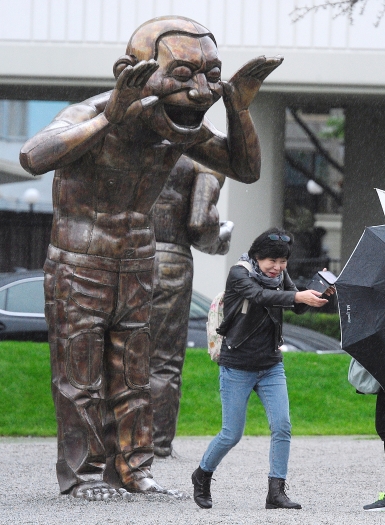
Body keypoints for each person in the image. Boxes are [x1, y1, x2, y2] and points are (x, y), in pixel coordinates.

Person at [19, 15, 281, 500]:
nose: (201, 91)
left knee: (134, 372)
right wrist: (109, 118)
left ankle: (135, 469)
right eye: (182, 75)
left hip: (139, 260)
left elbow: (245, 169)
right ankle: (84, 475)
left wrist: (238, 108)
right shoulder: (92, 112)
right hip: (80, 259)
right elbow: (34, 155)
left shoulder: (179, 127)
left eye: (211, 75)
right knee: (81, 375)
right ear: (131, 71)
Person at [191, 227, 333, 510]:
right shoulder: (239, 274)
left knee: (282, 426)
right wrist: (297, 297)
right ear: (258, 256)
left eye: (283, 262)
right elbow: (260, 297)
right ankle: (202, 474)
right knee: (231, 433)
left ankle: (276, 492)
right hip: (237, 365)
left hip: (270, 365)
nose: (278, 268)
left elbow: (296, 306)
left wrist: (318, 291)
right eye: (272, 262)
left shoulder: (280, 276)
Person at [150, 155, 232, 458]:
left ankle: (117, 442)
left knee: (121, 354)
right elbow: (200, 223)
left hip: (122, 255)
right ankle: (156, 443)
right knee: (163, 361)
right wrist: (220, 240)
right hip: (169, 260)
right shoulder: (198, 157)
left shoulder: (130, 142)